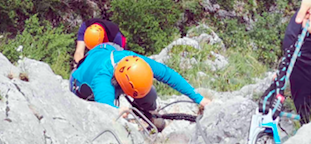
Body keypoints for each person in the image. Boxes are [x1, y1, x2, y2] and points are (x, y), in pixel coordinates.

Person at [69, 43, 207, 131]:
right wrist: (118, 111)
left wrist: (199, 98)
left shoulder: (134, 60)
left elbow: (168, 74)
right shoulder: (102, 81)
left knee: (150, 94)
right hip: (80, 80)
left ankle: (149, 115)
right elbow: (105, 109)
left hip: (105, 50)